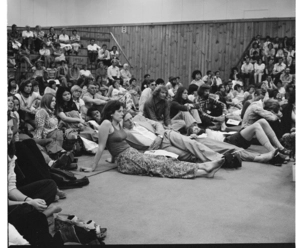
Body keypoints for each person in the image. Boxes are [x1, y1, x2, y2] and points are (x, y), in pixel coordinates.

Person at [80, 100, 224, 178]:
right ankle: (203, 168)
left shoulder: (117, 123)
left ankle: (204, 170)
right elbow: (101, 146)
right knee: (160, 167)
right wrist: (93, 167)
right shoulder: (105, 124)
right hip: (126, 159)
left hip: (132, 153)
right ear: (111, 113)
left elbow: (115, 142)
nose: (122, 113)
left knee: (163, 161)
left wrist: (112, 159)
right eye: (119, 111)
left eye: (122, 111)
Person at [8, 114, 64, 247]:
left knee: (49, 186)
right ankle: (44, 213)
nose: (10, 133)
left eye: (11, 128)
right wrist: (27, 203)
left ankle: (38, 210)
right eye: (6, 128)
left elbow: (10, 188)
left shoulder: (9, 154)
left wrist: (29, 200)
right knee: (31, 215)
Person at [123, 112, 223, 163]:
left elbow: (157, 124)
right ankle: (210, 160)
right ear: (122, 122)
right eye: (127, 120)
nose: (131, 121)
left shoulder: (139, 121)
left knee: (190, 144)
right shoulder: (125, 134)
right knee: (185, 156)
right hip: (158, 147)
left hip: (165, 135)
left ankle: (217, 158)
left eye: (131, 118)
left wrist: (160, 135)